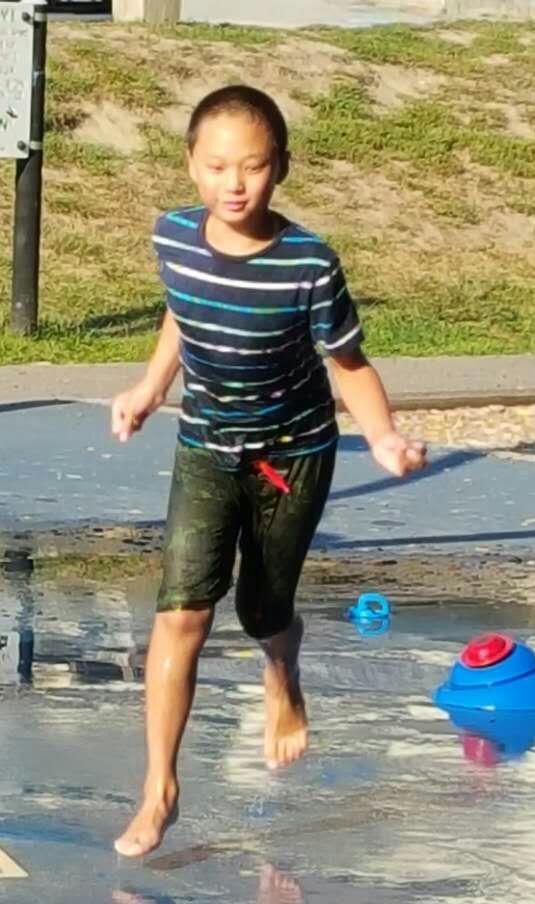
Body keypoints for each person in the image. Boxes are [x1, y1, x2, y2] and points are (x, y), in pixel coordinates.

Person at [111, 85, 426, 858]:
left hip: (292, 454)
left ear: (279, 167)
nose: (234, 184)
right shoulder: (172, 236)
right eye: (217, 166)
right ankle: (159, 789)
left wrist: (382, 437)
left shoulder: (307, 263)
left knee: (260, 609)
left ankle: (281, 670)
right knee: (181, 610)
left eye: (252, 166)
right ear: (191, 163)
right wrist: (150, 389)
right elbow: (182, 309)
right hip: (205, 446)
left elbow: (347, 363)